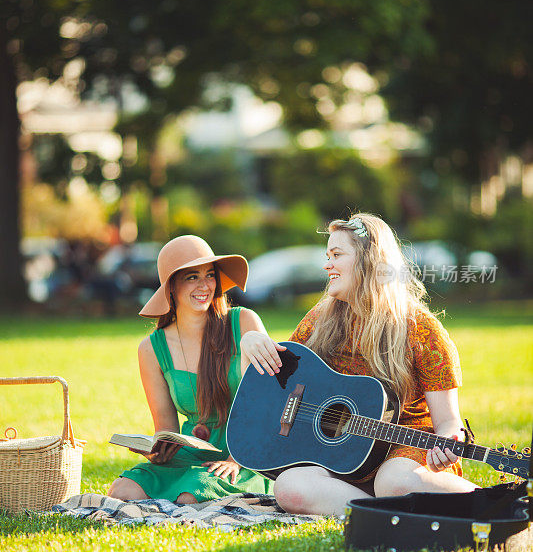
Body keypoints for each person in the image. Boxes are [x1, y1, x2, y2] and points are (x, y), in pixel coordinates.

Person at [240, 213, 477, 517]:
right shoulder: (319, 321)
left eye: (337, 255)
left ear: (369, 260)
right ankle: (385, 513)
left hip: (406, 453)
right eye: (327, 256)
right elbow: (279, 384)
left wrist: (449, 441)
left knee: (394, 482)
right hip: (342, 456)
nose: (327, 265)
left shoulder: (421, 329)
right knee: (289, 486)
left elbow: (448, 422)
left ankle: (488, 500)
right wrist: (251, 344)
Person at [108, 235, 274, 504]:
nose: (204, 285)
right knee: (123, 490)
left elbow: (271, 402)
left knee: (190, 494)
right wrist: (156, 451)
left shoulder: (243, 322)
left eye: (209, 275)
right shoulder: (151, 349)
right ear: (171, 287)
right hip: (193, 451)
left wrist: (236, 460)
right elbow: (166, 427)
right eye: (191, 277)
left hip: (249, 448)